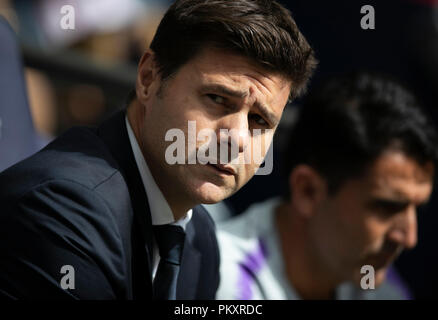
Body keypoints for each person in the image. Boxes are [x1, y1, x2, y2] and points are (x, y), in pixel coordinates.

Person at [0, 0, 316, 299]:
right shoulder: (61, 211)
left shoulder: (200, 238)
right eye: (217, 99)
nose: (237, 138)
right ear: (149, 77)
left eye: (259, 120)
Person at [216, 72, 437, 300]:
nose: (409, 238)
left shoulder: (372, 277)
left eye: (416, 209)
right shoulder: (215, 280)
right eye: (386, 207)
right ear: (307, 191)